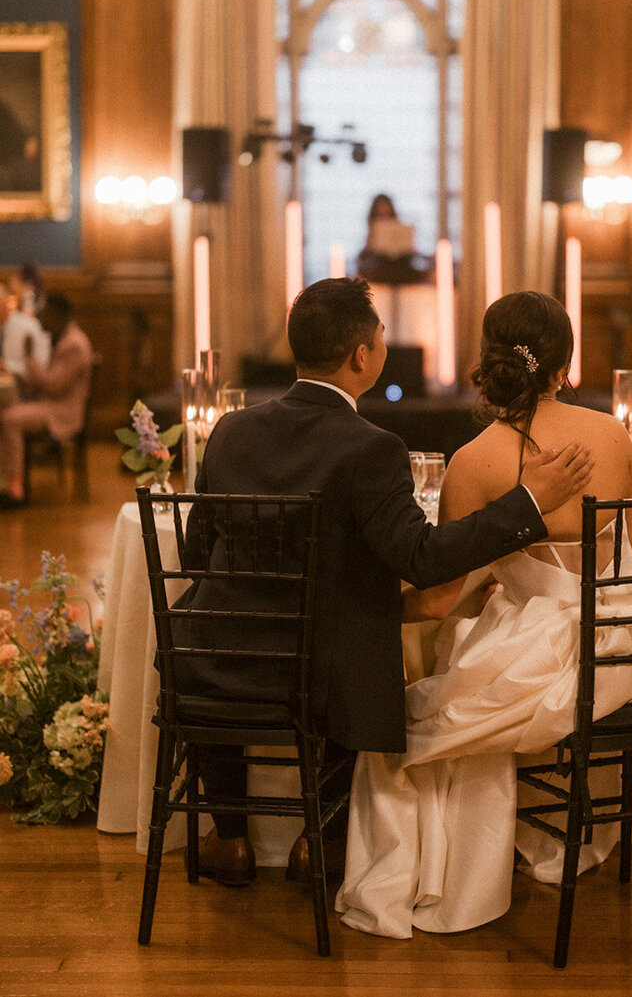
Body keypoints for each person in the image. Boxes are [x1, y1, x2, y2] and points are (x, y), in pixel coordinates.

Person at [173, 277, 594, 886]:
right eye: (382, 338)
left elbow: (197, 553)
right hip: (318, 675)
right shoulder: (370, 448)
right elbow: (422, 558)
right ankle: (321, 839)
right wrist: (528, 501)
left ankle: (231, 836)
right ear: (361, 357)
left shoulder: (230, 432)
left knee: (220, 626)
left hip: (214, 660)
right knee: (357, 635)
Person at [335, 290, 632, 938]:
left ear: (489, 363)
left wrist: (372, 610)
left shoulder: (474, 460)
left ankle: (470, 863)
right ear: (563, 368)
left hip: (540, 658)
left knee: (420, 709)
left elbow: (440, 598)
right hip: (626, 645)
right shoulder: (613, 435)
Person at [0, 292, 92, 509]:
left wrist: (30, 358)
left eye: (44, 314)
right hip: (51, 404)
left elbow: (53, 385)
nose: (40, 319)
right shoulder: (61, 338)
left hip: (63, 412)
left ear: (57, 315)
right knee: (7, 412)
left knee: (9, 419)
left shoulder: (74, 344)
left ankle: (13, 488)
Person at [356, 194, 423, 284]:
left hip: (400, 262)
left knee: (402, 261)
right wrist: (371, 243)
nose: (383, 211)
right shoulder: (373, 228)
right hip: (381, 264)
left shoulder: (401, 227)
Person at [0, 278, 51, 381]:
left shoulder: (28, 326)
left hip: (23, 386)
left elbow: (42, 364)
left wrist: (7, 366)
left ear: (5, 306)